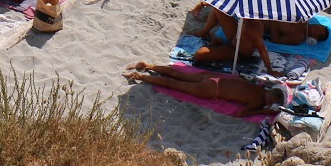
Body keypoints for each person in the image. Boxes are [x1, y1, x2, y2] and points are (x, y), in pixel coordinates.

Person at [123, 62, 288, 114]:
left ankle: (149, 66)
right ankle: (141, 77)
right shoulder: (258, 101)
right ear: (272, 99)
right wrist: (263, 111)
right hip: (212, 89)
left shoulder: (259, 88)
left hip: (213, 78)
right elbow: (240, 114)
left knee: (178, 74)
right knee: (176, 85)